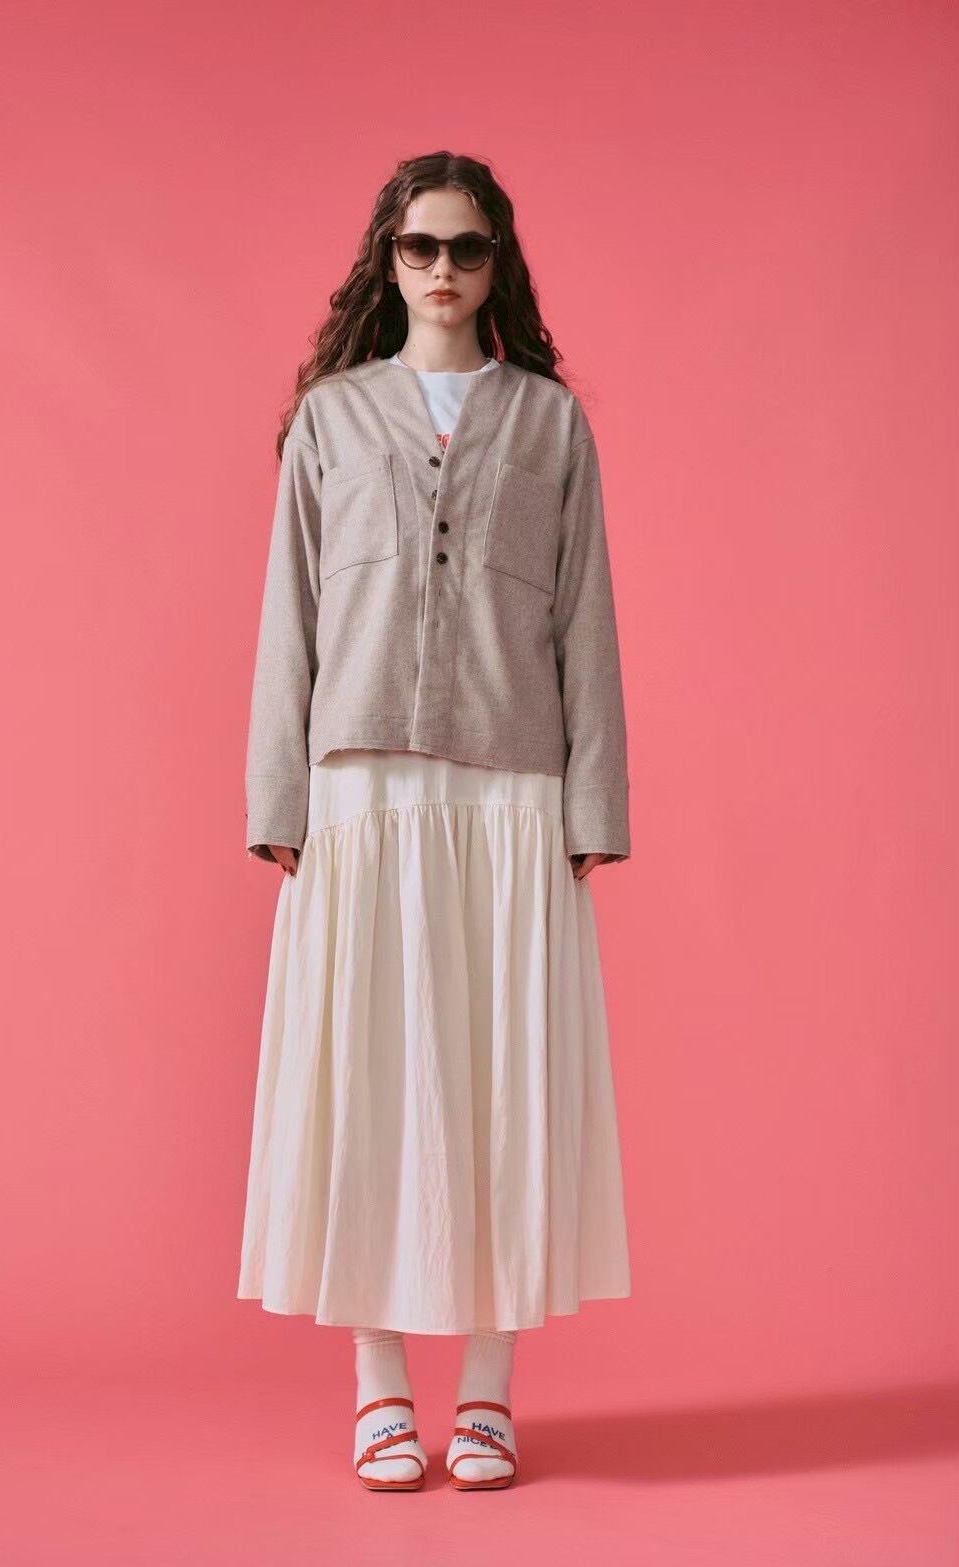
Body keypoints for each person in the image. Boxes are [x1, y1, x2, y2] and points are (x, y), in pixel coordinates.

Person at [236, 150, 633, 1492]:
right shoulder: (331, 419)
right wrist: (278, 797)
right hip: (361, 792)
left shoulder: (550, 423)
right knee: (368, 1081)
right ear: (388, 261)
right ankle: (378, 1392)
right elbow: (288, 614)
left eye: (467, 247)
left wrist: (592, 801)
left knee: (503, 1085)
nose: (444, 270)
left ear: (496, 261)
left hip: (511, 791)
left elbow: (586, 617)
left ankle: (487, 1396)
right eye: (420, 247)